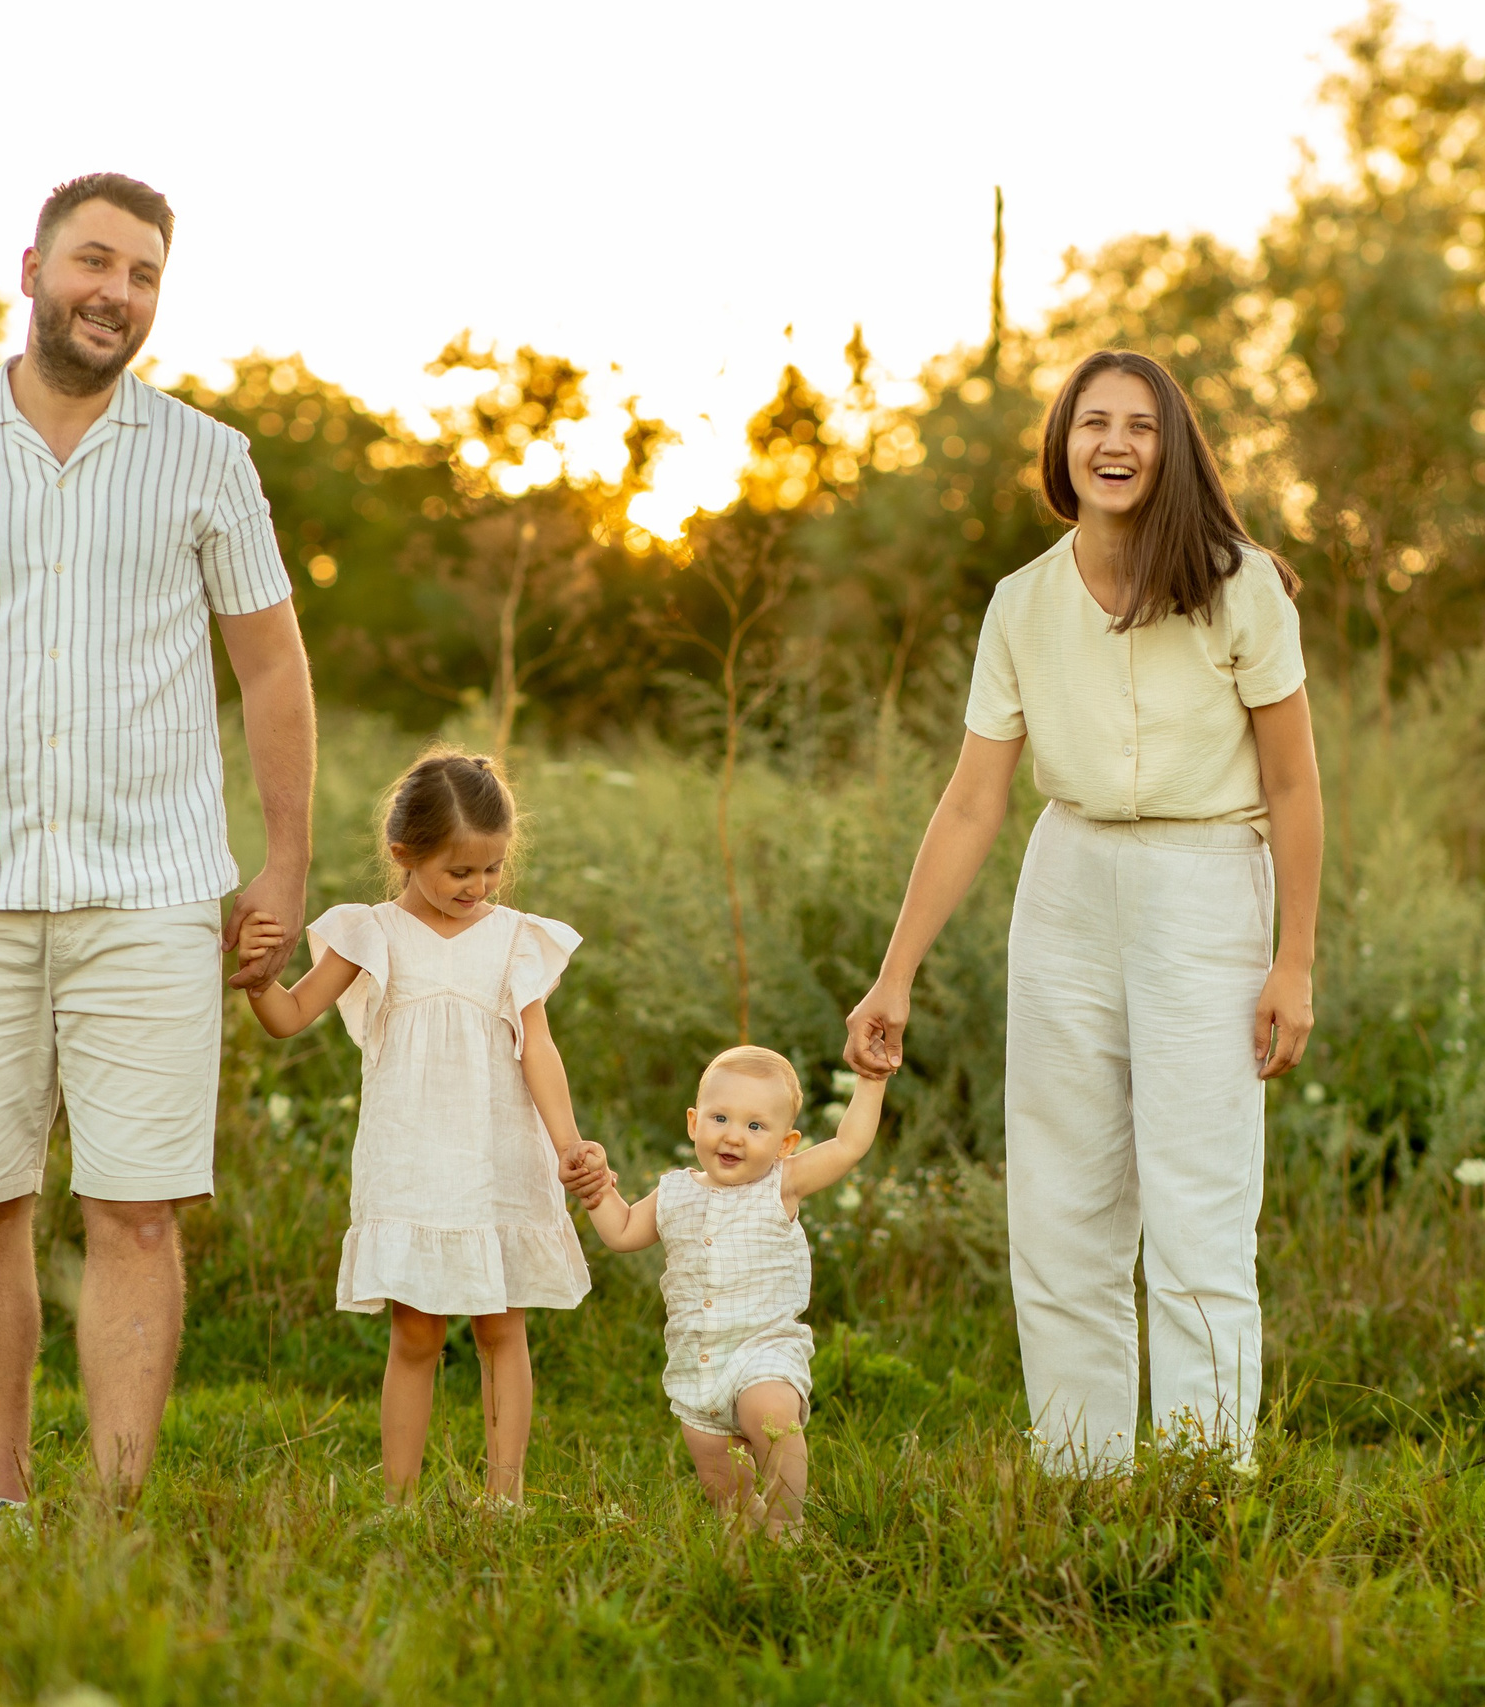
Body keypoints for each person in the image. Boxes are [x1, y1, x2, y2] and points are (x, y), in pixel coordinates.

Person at [0, 173, 317, 1514]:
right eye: (98, 261)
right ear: (32, 266)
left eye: (146, 274)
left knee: (138, 1209)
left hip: (152, 894)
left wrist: (284, 863)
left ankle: (113, 1513)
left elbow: (273, 669)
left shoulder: (208, 458)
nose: (119, 293)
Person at [842, 350, 1322, 1474]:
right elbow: (972, 800)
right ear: (1062, 445)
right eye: (1091, 422)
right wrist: (893, 973)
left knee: (1199, 1203)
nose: (1114, 444)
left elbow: (1295, 785)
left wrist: (1292, 962)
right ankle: (1083, 1478)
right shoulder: (1022, 602)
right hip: (1066, 888)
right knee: (1062, 1204)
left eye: (1140, 426)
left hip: (1206, 887)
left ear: (1172, 451)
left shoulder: (1240, 587)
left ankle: (1205, 1481)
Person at [233, 750, 604, 1504]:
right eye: (458, 871)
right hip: (411, 1162)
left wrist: (569, 1144)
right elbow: (290, 1017)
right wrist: (257, 977)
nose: (478, 888)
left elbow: (540, 1048)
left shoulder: (513, 939)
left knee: (502, 1330)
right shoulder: (371, 934)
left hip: (498, 1158)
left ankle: (506, 1496)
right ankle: (399, 1500)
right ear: (403, 855)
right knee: (416, 1334)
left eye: (492, 869)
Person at [571, 1046, 888, 1538]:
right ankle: (748, 1536)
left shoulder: (782, 1184)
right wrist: (597, 1190)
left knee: (770, 1416)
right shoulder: (675, 1192)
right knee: (724, 1490)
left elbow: (848, 1145)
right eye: (721, 1118)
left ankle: (788, 1526)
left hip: (764, 1349)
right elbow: (623, 1231)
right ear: (694, 1123)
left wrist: (872, 1081)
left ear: (786, 1143)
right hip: (698, 1364)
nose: (734, 1135)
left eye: (756, 1127)